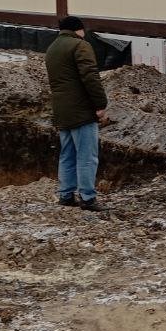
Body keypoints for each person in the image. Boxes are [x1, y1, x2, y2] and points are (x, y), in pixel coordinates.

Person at [44, 16, 108, 211]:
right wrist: (100, 104)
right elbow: (90, 77)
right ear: (78, 30)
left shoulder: (52, 48)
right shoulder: (80, 46)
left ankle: (66, 195)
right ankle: (88, 197)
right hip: (81, 110)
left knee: (68, 154)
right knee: (87, 155)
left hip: (62, 110)